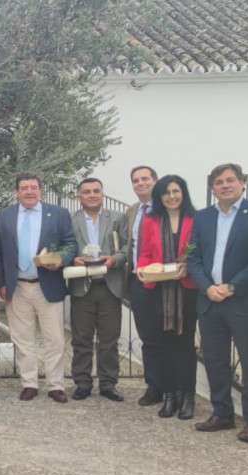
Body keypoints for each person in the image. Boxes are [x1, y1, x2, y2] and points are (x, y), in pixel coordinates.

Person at [185, 163, 248, 441]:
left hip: (244, 301)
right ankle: (222, 413)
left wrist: (232, 286)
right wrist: (207, 287)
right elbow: (193, 257)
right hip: (210, 301)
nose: (225, 185)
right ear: (213, 188)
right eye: (219, 182)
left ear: (242, 183)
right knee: (215, 360)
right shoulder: (203, 217)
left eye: (230, 180)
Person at [0, 173, 76, 403]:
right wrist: (0, 284)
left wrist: (61, 259)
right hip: (17, 287)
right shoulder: (4, 216)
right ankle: (29, 383)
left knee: (54, 339)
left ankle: (55, 385)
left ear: (40, 190)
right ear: (16, 191)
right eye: (24, 188)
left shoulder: (58, 214)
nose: (29, 191)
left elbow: (71, 244)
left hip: (48, 285)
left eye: (33, 187)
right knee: (22, 339)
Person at [136, 175, 198, 420]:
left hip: (187, 290)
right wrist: (142, 270)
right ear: (159, 197)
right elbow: (145, 253)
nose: (171, 196)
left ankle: (188, 396)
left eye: (176, 191)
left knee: (185, 346)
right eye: (166, 192)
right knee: (164, 345)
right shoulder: (151, 221)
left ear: (183, 192)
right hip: (159, 292)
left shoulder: (197, 219)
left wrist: (188, 267)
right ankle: (170, 395)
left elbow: (202, 251)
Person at [67, 177, 130, 402]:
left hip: (109, 285)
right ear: (79, 196)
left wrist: (115, 259)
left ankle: (108, 383)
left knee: (109, 339)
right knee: (81, 339)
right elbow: (65, 246)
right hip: (82, 286)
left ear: (102, 194)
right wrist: (72, 258)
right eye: (86, 192)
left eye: (96, 191)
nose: (92, 195)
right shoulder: (70, 220)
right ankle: (82, 383)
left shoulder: (118, 218)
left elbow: (127, 247)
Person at [125, 166, 164, 406]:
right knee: (147, 337)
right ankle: (154, 386)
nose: (140, 183)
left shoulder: (168, 209)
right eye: (136, 180)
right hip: (138, 281)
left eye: (145, 179)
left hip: (166, 281)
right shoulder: (132, 211)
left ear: (155, 181)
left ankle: (175, 387)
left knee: (170, 336)